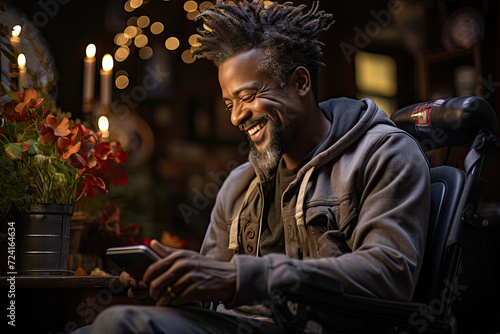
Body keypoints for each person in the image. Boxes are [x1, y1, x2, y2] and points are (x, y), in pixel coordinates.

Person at [74, 0, 430, 332]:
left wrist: (242, 277)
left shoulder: (384, 153)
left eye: (247, 97)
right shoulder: (239, 184)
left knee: (118, 324)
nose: (236, 116)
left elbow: (389, 274)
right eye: (229, 103)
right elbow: (211, 285)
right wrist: (171, 281)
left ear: (301, 83)